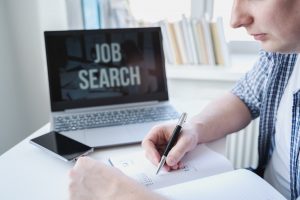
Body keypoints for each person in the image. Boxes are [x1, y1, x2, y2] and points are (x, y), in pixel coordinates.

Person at [68, 0, 300, 199]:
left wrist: (121, 193)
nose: (236, 19)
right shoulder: (284, 50)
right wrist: (194, 128)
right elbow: (245, 97)